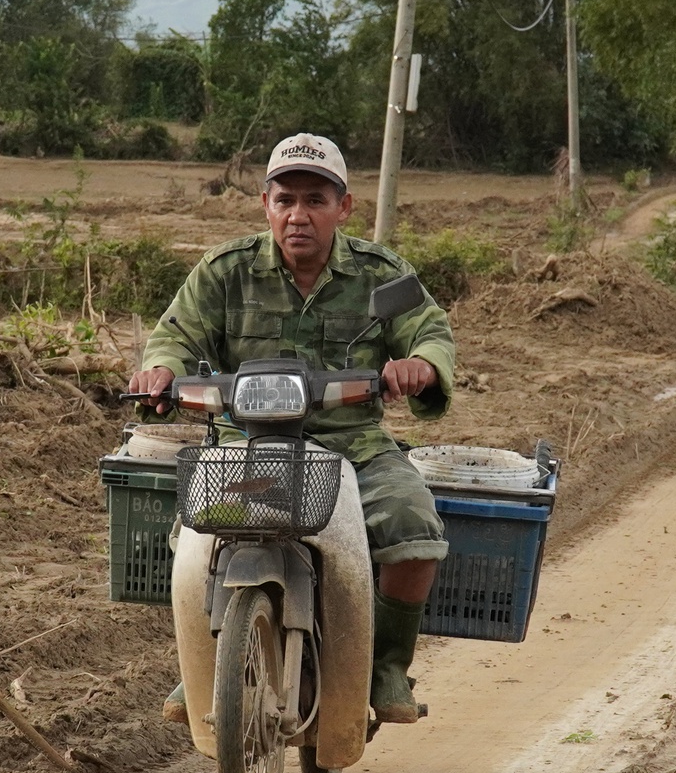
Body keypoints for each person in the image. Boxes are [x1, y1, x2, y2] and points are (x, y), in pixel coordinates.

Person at [127, 132, 456, 726]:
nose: (298, 215)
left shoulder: (381, 275)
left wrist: (420, 365)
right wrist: (161, 372)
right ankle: (206, 663)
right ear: (265, 204)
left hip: (353, 444)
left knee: (414, 525)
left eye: (315, 199)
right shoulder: (224, 272)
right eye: (285, 200)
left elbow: (428, 330)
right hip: (246, 445)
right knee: (192, 539)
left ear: (344, 206)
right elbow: (175, 336)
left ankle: (386, 666)